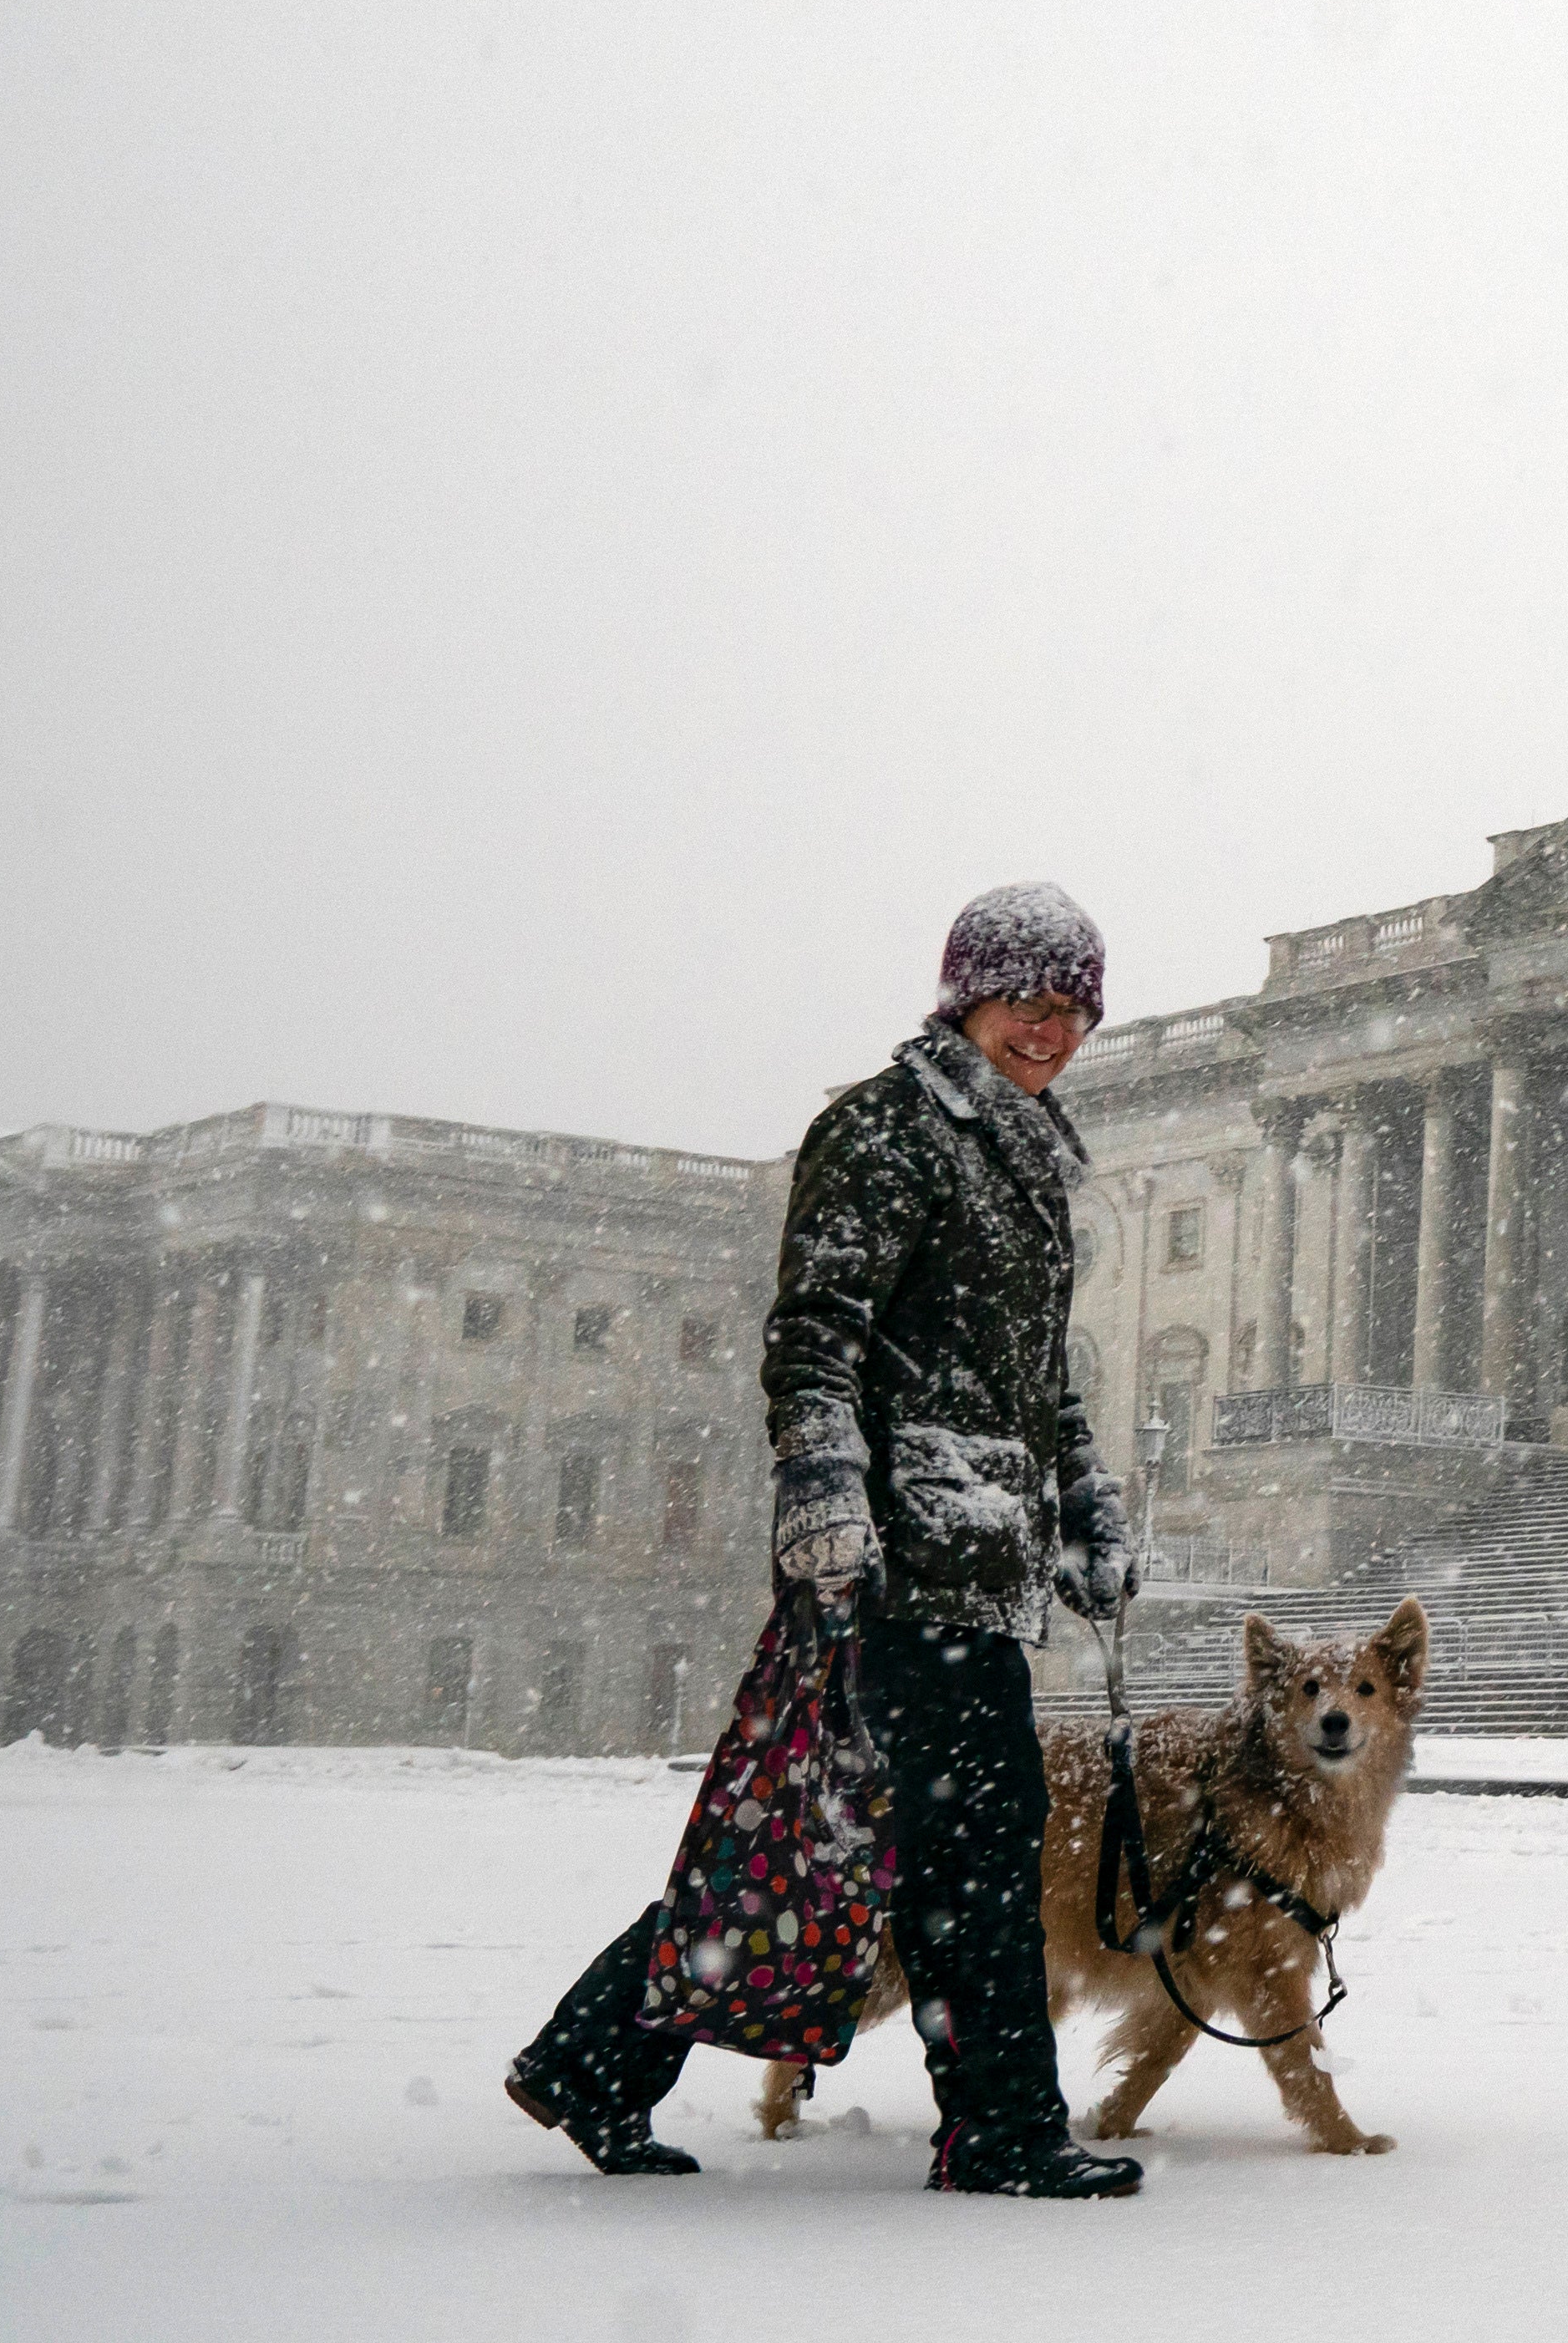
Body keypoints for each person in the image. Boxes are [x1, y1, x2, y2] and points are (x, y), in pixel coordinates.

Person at [505, 882, 1145, 2196]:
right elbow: (817, 1337)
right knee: (949, 1841)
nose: (1051, 1029)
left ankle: (593, 2061)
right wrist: (824, 1500)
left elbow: (1042, 1380)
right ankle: (1004, 2132)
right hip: (894, 1555)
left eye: (1074, 1009)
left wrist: (1085, 1507)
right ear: (966, 993)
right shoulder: (885, 1129)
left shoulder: (1022, 1152)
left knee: (829, 1836)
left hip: (977, 1551)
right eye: (1029, 1000)